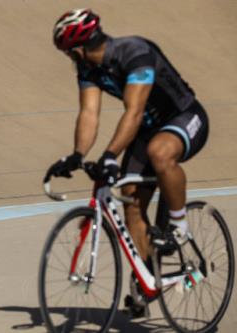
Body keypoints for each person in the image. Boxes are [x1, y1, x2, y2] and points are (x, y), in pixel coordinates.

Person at [45, 8, 209, 314]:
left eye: (68, 52)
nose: (69, 58)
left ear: (79, 48)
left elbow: (133, 112)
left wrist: (109, 156)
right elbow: (89, 114)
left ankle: (179, 225)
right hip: (147, 130)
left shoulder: (135, 52)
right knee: (130, 200)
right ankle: (147, 277)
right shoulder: (88, 70)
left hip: (185, 117)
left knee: (160, 152)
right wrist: (77, 156)